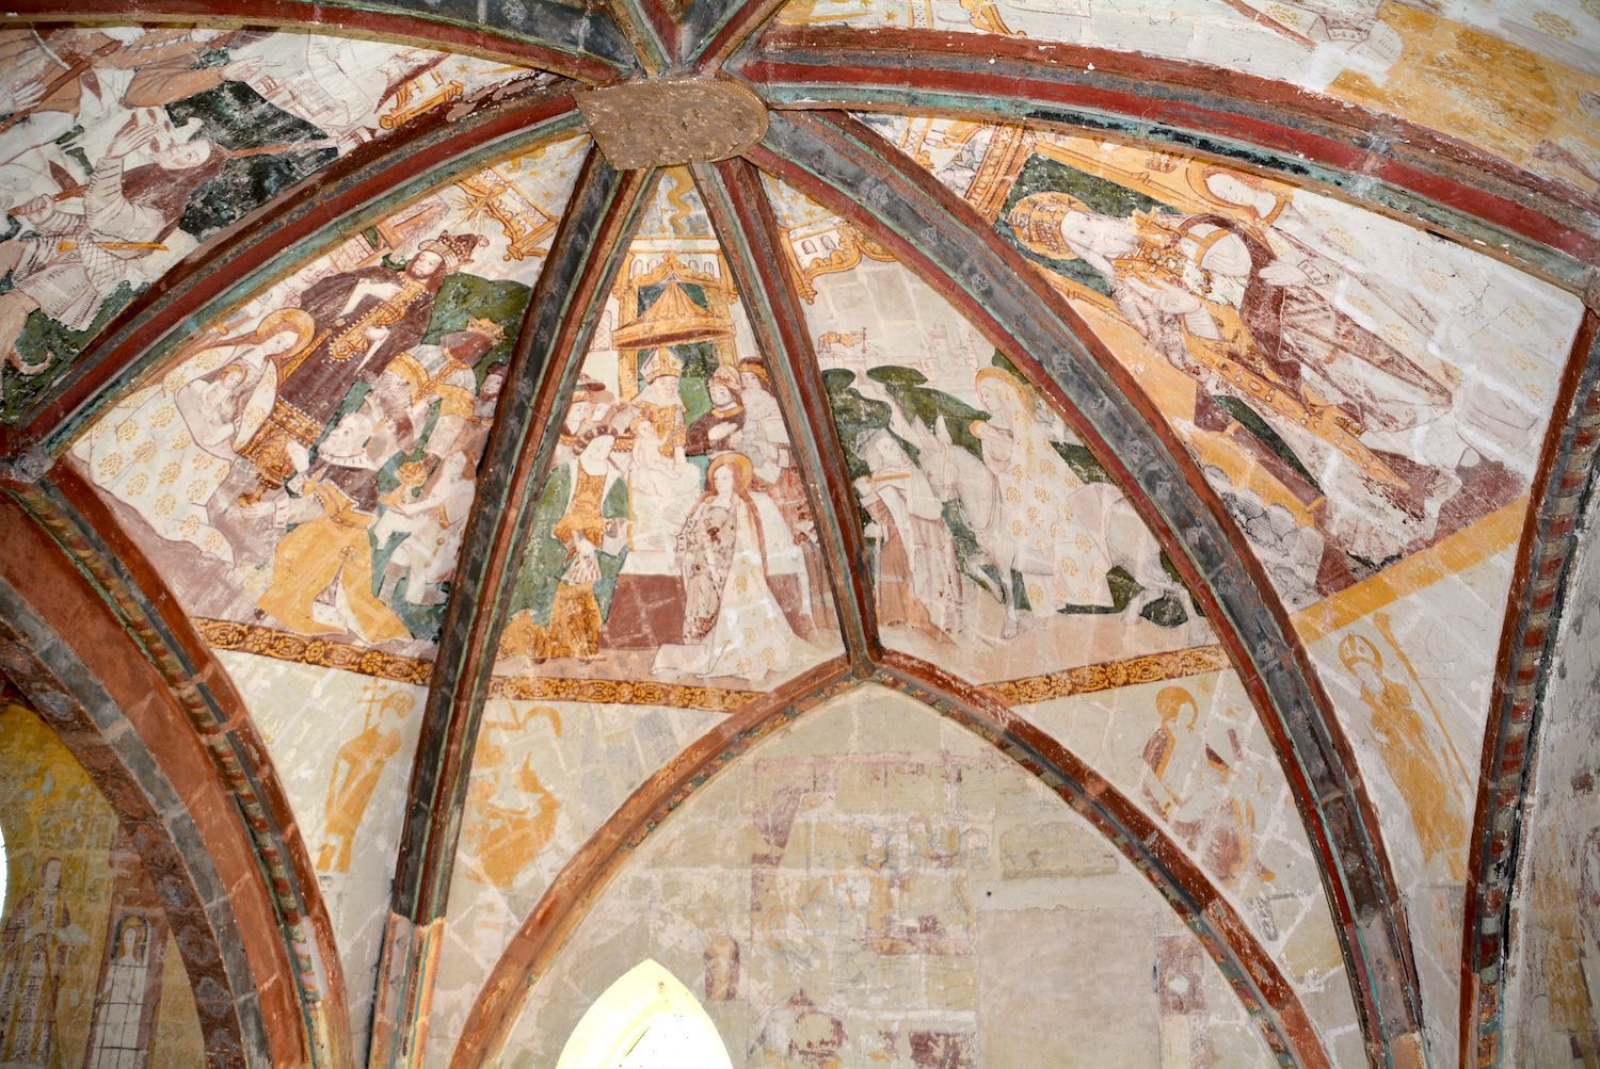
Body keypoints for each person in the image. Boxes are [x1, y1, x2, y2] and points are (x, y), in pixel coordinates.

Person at [236, 231, 484, 502]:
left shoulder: (422, 305)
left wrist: (384, 337)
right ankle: (251, 446)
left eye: (430, 263)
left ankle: (277, 469)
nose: (421, 264)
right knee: (291, 392)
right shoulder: (383, 276)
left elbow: (409, 340)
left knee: (316, 410)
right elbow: (326, 291)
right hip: (323, 345)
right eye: (421, 258)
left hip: (351, 365)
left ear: (438, 272)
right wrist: (364, 290)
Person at [73, 309, 316, 564]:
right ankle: (121, 470)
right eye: (280, 339)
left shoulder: (269, 374)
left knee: (218, 459)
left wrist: (229, 429)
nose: (279, 346)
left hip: (219, 420)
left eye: (285, 346)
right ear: (273, 331)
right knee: (168, 416)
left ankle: (161, 502)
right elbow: (197, 367)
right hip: (194, 398)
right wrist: (187, 388)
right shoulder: (238, 348)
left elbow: (256, 412)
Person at [655, 454, 817, 681]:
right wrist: (689, 545)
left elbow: (745, 540)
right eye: (717, 479)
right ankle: (700, 646)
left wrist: (731, 566)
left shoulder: (740, 505)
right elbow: (690, 532)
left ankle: (738, 652)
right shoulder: (706, 504)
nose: (720, 483)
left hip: (730, 567)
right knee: (701, 609)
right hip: (703, 567)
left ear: (735, 480)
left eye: (725, 478)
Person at [972, 368, 1115, 614]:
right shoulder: (989, 426)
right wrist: (990, 439)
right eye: (981, 395)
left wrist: (995, 438)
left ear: (1002, 393)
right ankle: (1048, 597)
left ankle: (1068, 585)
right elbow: (994, 463)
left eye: (988, 394)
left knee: (1048, 526)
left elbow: (1025, 456)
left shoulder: (1019, 422)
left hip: (1034, 487)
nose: (984, 400)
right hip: (1009, 489)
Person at [854, 429, 962, 642]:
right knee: (888, 558)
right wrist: (868, 494)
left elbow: (928, 508)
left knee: (896, 560)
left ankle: (918, 616)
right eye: (885, 448)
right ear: (878, 454)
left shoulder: (909, 471)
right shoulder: (882, 476)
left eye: (891, 444)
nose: (892, 449)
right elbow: (885, 515)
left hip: (924, 530)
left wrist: (879, 498)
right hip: (902, 531)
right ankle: (896, 615)